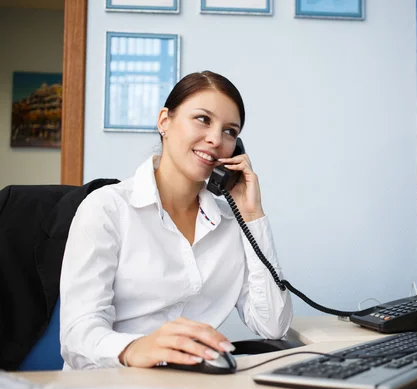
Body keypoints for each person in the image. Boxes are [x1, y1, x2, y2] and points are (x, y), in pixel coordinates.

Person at [59, 71, 293, 370]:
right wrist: (133, 349)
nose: (215, 139)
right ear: (164, 122)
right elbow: (77, 336)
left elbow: (273, 326)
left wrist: (252, 215)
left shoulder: (232, 227)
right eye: (203, 119)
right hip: (110, 384)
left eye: (230, 131)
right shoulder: (107, 208)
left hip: (191, 385)